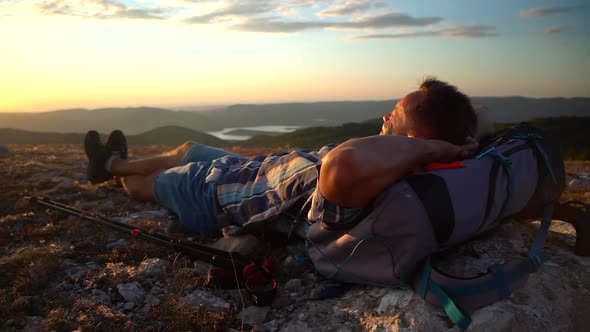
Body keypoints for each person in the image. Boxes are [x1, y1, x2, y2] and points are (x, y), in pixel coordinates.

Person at [84, 77, 481, 235]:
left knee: (150, 186)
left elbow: (342, 168)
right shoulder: (389, 156)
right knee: (187, 149)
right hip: (244, 170)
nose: (383, 117)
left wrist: (431, 147)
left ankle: (115, 172)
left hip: (216, 196)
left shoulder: (371, 177)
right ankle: (112, 162)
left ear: (415, 139)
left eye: (392, 116)